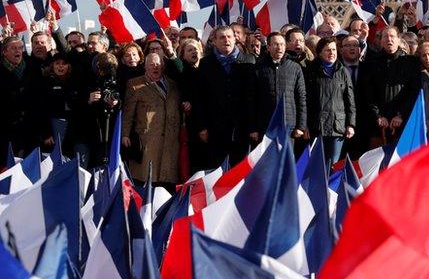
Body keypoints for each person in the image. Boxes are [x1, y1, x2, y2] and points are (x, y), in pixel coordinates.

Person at [193, 25, 256, 168]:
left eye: (229, 37)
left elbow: (253, 97)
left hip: (242, 129)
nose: (226, 40)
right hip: (215, 129)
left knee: (240, 173)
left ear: (235, 39)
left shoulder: (249, 61)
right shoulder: (206, 64)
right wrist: (202, 127)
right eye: (221, 37)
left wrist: (253, 127)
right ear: (214, 41)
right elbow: (199, 98)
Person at [121, 53, 182, 186]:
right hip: (147, 139)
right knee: (146, 178)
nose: (155, 67)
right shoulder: (135, 84)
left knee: (166, 180)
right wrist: (125, 134)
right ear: (145, 66)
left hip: (170, 141)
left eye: (158, 64)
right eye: (152, 64)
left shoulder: (173, 85)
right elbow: (128, 112)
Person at [362, 27, 422, 144]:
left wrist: (401, 114)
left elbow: (414, 91)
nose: (389, 39)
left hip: (404, 122)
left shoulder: (411, 62)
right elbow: (368, 93)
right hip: (378, 125)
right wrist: (378, 115)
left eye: (392, 36)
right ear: (381, 40)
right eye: (385, 36)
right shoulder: (371, 63)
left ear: (399, 39)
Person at [305, 36, 355, 168]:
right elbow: (305, 100)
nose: (332, 53)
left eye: (334, 50)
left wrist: (350, 124)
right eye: (328, 50)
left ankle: (329, 189)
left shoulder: (343, 71)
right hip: (317, 126)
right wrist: (305, 125)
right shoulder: (310, 70)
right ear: (320, 52)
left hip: (337, 127)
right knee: (317, 165)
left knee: (333, 164)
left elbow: (350, 100)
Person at [252, 32, 307, 144]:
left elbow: (301, 97)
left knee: (286, 161)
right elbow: (251, 99)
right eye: (276, 44)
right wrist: (253, 128)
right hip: (265, 126)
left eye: (282, 44)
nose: (279, 48)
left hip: (288, 126)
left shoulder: (295, 67)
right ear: (268, 47)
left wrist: (301, 126)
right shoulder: (258, 68)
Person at [0, 37, 41, 155]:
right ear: (4, 51)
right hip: (6, 130)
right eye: (13, 48)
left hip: (30, 128)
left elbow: (40, 98)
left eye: (20, 48)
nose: (18, 51)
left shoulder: (33, 67)